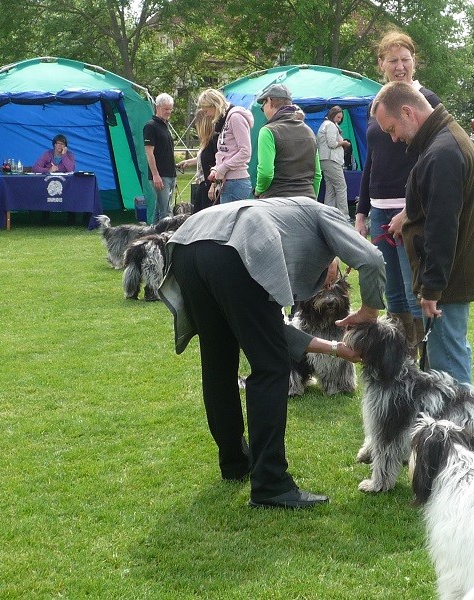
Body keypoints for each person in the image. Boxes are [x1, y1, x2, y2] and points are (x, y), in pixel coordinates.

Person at [159, 197, 386, 509]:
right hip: (233, 247)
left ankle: (235, 462)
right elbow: (372, 259)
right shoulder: (325, 214)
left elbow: (271, 330)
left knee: (218, 360)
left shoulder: (286, 226)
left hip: (187, 245)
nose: (325, 283)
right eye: (327, 277)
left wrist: (335, 348)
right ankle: (270, 484)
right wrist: (370, 313)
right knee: (272, 368)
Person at [371, 82, 474, 385]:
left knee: (448, 368)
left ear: (408, 112)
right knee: (446, 357)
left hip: (447, 282)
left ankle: (462, 432)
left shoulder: (443, 151)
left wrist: (432, 288)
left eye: (392, 129)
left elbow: (443, 226)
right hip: (448, 278)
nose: (394, 138)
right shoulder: (441, 142)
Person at [354, 31, 441, 355]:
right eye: (393, 60)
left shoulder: (426, 101)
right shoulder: (375, 105)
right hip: (379, 212)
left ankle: (425, 363)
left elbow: (432, 162)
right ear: (382, 64)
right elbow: (371, 160)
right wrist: (362, 212)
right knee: (392, 294)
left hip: (411, 213)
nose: (400, 66)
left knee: (412, 288)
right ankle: (400, 362)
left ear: (414, 62)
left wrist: (409, 212)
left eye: (405, 59)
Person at [254, 84, 321, 199]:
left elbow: (266, 173)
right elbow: (317, 175)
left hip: (276, 200)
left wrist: (258, 191)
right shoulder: (308, 131)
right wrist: (312, 198)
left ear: (270, 101)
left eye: (263, 105)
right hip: (307, 199)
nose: (263, 110)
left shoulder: (268, 131)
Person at [199, 88, 253, 204]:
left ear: (214, 105)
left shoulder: (235, 118)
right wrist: (216, 169)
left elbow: (245, 151)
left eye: (206, 111)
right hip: (227, 181)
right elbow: (226, 152)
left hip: (236, 182)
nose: (206, 115)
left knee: (232, 222)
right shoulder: (224, 121)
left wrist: (223, 168)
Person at [144, 93, 177, 222]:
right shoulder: (150, 126)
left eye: (170, 109)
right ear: (157, 107)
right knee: (166, 211)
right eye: (165, 109)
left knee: (159, 209)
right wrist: (155, 175)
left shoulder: (166, 126)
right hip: (160, 175)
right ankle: (166, 238)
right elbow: (149, 152)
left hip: (170, 173)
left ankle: (152, 236)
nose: (168, 112)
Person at [177, 110, 218, 213]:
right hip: (201, 184)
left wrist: (213, 185)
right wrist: (188, 162)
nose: (195, 125)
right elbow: (203, 159)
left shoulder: (214, 140)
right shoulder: (205, 141)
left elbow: (217, 162)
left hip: (209, 186)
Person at [316, 106, 351, 215]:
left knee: (330, 188)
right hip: (332, 159)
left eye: (341, 118)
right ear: (332, 115)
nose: (339, 120)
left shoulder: (324, 124)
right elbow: (332, 144)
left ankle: (328, 214)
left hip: (324, 159)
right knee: (341, 187)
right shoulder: (331, 125)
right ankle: (344, 215)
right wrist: (344, 143)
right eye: (338, 117)